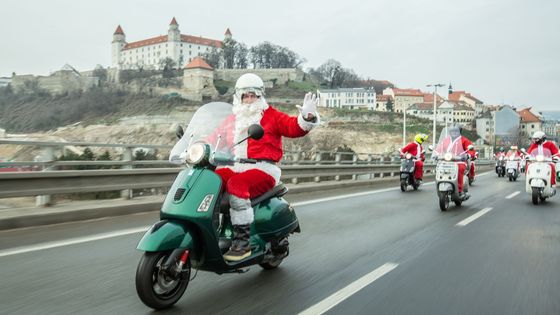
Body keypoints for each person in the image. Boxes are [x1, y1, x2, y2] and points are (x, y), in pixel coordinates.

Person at [215, 73, 320, 261]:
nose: (249, 99)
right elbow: (214, 138)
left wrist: (307, 117)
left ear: (260, 95)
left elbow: (292, 127)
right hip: (236, 166)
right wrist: (194, 145)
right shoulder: (232, 120)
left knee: (237, 185)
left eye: (253, 95)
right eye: (245, 95)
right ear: (238, 97)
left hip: (263, 169)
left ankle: (242, 243)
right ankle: (214, 231)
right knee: (211, 180)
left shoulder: (271, 115)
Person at [434, 125, 472, 196]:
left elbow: (470, 150)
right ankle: (440, 185)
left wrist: (468, 155)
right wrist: (436, 154)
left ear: (459, 132)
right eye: (452, 131)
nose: (454, 133)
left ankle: (460, 190)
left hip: (459, 161)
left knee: (459, 169)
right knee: (439, 168)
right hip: (447, 161)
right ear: (449, 132)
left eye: (456, 131)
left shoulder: (464, 140)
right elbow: (439, 148)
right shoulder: (446, 140)